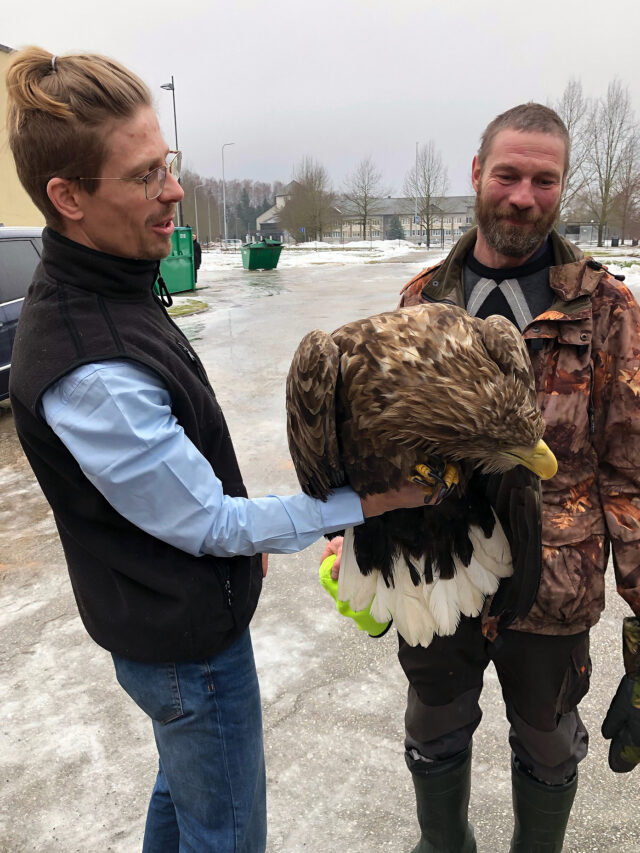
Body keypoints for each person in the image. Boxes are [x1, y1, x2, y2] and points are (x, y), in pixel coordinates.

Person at [5, 47, 427, 853]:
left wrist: (231, 549)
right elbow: (206, 522)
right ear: (69, 198)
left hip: (165, 624)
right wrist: (366, 503)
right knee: (228, 833)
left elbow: (180, 496)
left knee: (188, 799)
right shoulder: (91, 366)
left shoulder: (107, 282)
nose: (173, 190)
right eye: (143, 176)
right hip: (187, 654)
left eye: (169, 163)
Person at [328, 103, 640, 852]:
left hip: (554, 582)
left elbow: (631, 470)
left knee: (549, 745)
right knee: (433, 728)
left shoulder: (606, 309)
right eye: (508, 173)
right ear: (477, 174)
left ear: (562, 187)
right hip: (439, 572)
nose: (523, 195)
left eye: (544, 179)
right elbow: (386, 445)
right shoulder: (420, 300)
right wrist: (356, 532)